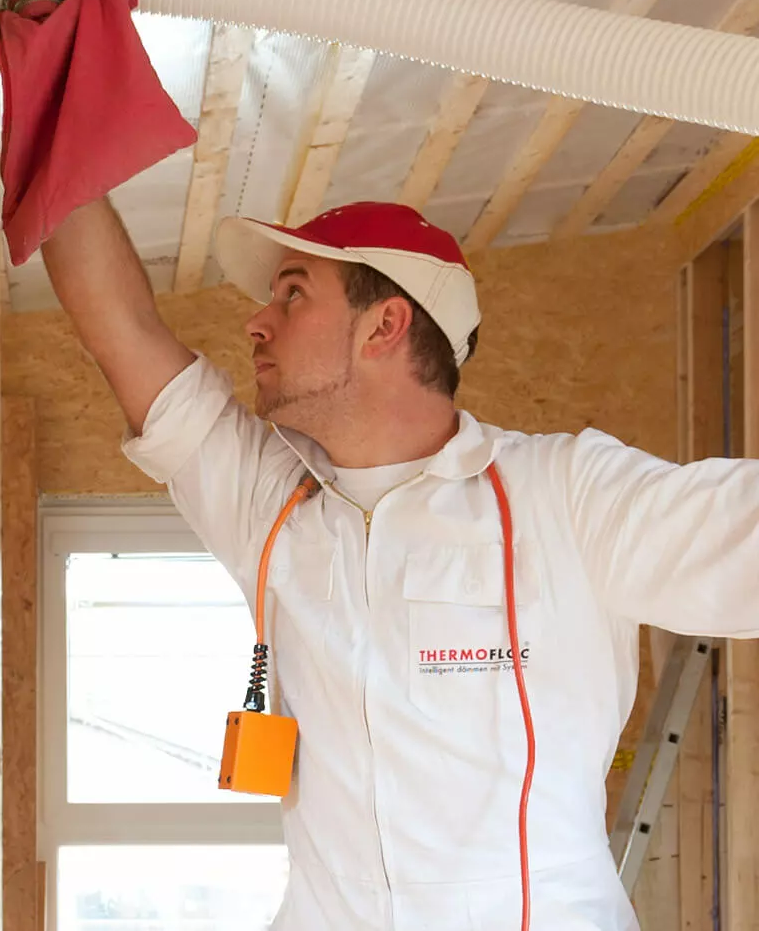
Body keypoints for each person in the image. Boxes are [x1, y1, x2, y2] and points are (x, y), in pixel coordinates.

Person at [39, 196, 758, 930]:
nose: (257, 322)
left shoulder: (562, 498)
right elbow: (121, 326)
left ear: (385, 325)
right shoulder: (270, 502)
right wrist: (49, 93)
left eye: (293, 294)